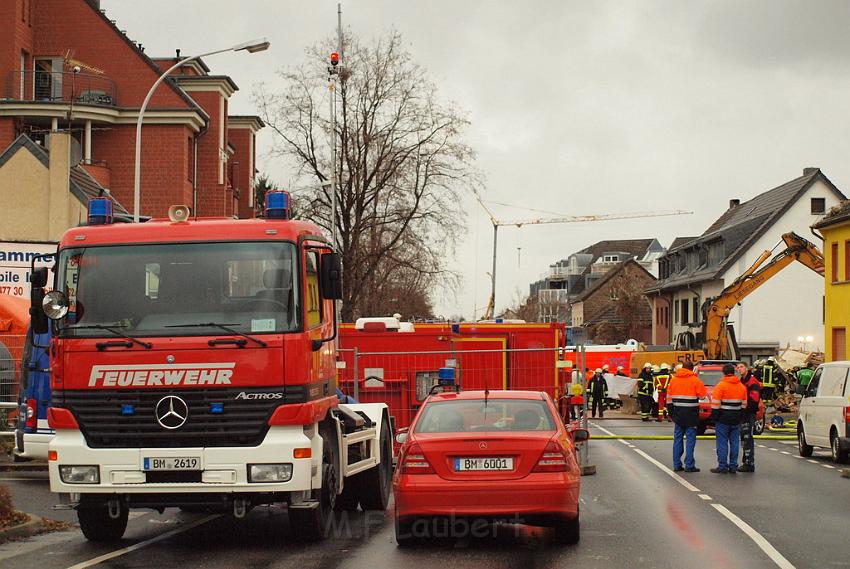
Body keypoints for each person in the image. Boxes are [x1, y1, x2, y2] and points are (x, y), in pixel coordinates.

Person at [667, 361, 707, 472]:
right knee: (690, 440)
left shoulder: (673, 380)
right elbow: (703, 396)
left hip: (678, 414)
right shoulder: (696, 380)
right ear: (692, 369)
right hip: (691, 414)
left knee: (678, 439)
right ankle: (689, 465)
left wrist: (671, 414)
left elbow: (669, 399)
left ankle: (677, 465)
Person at [710, 363, 747, 474]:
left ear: (724, 373)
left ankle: (722, 466)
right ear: (734, 372)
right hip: (736, 418)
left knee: (722, 443)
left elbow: (715, 405)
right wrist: (740, 416)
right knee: (735, 443)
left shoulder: (720, 386)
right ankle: (733, 465)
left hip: (722, 419)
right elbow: (744, 405)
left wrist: (714, 418)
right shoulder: (741, 386)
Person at [737, 361, 761, 472]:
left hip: (748, 413)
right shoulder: (742, 381)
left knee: (747, 438)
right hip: (743, 413)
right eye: (738, 368)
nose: (739, 369)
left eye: (741, 367)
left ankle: (749, 463)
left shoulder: (752, 381)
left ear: (747, 368)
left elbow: (754, 399)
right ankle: (746, 461)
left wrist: (746, 410)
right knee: (744, 438)